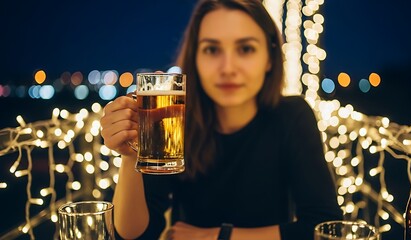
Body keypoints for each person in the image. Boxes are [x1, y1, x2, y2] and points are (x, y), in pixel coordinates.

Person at [100, 0, 342, 239]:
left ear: (269, 58)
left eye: (245, 49)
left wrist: (218, 236)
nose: (227, 67)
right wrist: (130, 155)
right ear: (195, 58)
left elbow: (326, 226)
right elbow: (135, 236)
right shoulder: (173, 119)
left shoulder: (292, 116)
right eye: (212, 49)